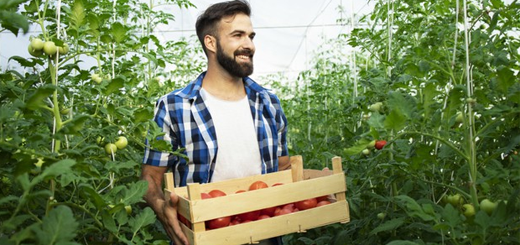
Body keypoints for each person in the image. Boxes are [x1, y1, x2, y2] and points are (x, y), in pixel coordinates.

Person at [141, 1, 290, 244]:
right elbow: (150, 178)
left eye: (251, 36)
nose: (249, 45)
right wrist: (161, 208)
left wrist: (314, 184)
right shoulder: (174, 106)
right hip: (202, 236)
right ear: (211, 42)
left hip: (265, 235)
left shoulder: (268, 103)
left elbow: (283, 169)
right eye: (237, 35)